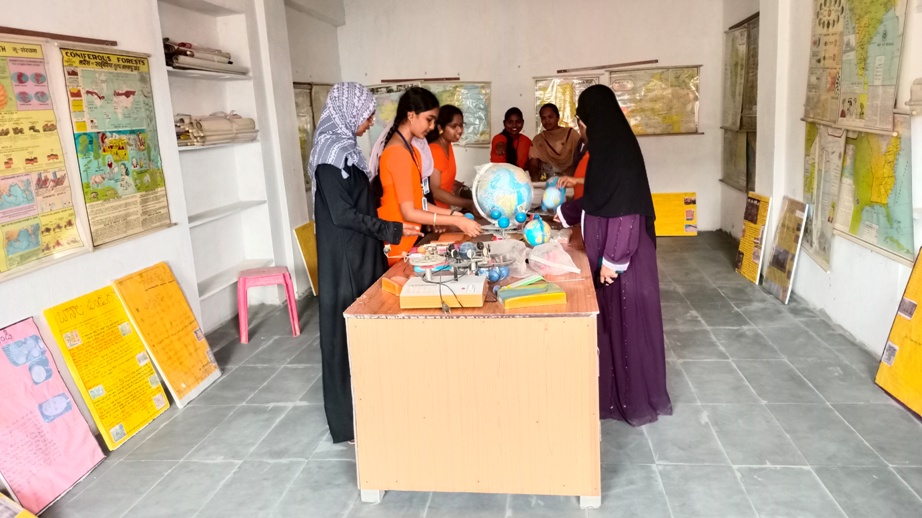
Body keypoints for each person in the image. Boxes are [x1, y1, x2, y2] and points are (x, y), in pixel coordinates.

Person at [308, 82, 423, 444]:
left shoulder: (347, 152)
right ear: (349, 111)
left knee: (370, 328)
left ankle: (375, 404)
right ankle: (349, 420)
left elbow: (362, 204)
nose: (371, 121)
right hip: (344, 260)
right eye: (367, 115)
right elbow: (342, 215)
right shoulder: (329, 157)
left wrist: (390, 228)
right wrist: (389, 229)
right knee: (346, 335)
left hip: (363, 251)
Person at [556, 85, 672, 426]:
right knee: (611, 326)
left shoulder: (618, 154)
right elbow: (598, 197)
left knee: (628, 328)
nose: (580, 129)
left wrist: (613, 261)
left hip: (624, 263)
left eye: (580, 123)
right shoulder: (607, 150)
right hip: (609, 257)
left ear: (587, 121)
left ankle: (634, 402)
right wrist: (563, 214)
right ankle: (610, 398)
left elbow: (627, 211)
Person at [375, 87, 481, 265]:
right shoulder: (397, 153)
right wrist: (455, 220)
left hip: (412, 241)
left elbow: (420, 203)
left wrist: (454, 214)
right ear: (411, 115)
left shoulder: (412, 151)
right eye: (429, 120)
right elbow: (409, 212)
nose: (432, 127)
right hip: (399, 245)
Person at [427, 105, 474, 211]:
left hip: (445, 210)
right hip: (434, 214)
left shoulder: (448, 145)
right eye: (454, 126)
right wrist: (469, 203)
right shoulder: (434, 150)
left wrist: (452, 183)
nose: (460, 130)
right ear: (440, 128)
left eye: (461, 125)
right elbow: (435, 192)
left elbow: (441, 175)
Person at [528, 103, 581, 180]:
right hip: (548, 180)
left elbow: (581, 158)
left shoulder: (571, 134)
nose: (547, 121)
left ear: (558, 117)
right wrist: (535, 181)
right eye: (543, 118)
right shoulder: (538, 139)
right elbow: (533, 165)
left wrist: (568, 175)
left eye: (550, 117)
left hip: (572, 179)